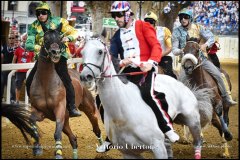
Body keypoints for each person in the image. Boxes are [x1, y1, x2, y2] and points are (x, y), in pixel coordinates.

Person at [110, 1, 179, 143]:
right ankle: (110, 135)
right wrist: (122, 62)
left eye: (118, 15)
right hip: (126, 71)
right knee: (107, 97)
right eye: (114, 16)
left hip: (146, 68)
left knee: (147, 93)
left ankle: (166, 128)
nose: (116, 18)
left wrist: (151, 62)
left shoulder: (143, 26)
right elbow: (112, 58)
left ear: (127, 14)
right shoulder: (116, 36)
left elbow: (156, 46)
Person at [25, 2, 81, 117]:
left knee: (66, 79)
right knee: (29, 80)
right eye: (38, 13)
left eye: (43, 13)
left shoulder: (59, 21)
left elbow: (75, 32)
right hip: (43, 59)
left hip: (59, 57)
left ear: (48, 13)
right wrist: (40, 48)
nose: (41, 15)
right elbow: (28, 44)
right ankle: (34, 105)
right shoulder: (34, 26)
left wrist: (68, 37)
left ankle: (72, 107)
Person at [171, 8, 237, 106]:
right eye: (181, 17)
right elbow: (174, 49)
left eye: (185, 17)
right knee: (180, 82)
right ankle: (179, 104)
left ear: (190, 18)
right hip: (186, 63)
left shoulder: (198, 27)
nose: (183, 20)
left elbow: (211, 37)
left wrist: (204, 45)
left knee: (218, 75)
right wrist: (181, 50)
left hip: (201, 60)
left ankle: (226, 97)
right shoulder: (176, 32)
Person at [144, 11, 177, 79]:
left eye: (151, 22)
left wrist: (157, 56)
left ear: (155, 23)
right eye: (146, 22)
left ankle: (174, 82)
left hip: (164, 56)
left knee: (168, 74)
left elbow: (169, 48)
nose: (148, 24)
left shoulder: (164, 30)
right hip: (150, 58)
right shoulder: (142, 33)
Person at [12, 33, 35, 104]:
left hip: (28, 71)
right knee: (18, 86)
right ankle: (17, 100)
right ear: (22, 39)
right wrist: (13, 70)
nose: (25, 39)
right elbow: (14, 59)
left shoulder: (31, 50)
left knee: (30, 86)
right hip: (19, 70)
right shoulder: (18, 49)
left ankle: (31, 101)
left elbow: (33, 60)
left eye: (26, 38)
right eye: (24, 38)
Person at [1, 33, 16, 103]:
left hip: (12, 70)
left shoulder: (17, 48)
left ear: (15, 39)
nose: (11, 40)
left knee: (12, 87)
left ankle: (12, 100)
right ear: (8, 39)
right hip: (4, 69)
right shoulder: (4, 47)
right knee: (1, 84)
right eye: (10, 38)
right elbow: (2, 57)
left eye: (13, 38)